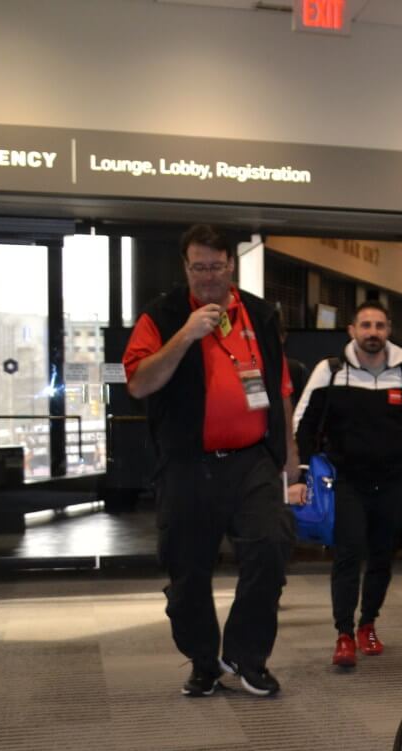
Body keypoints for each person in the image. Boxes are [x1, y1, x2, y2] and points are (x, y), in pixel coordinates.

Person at [123, 225, 297, 698]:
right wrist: (186, 335)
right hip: (188, 464)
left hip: (252, 460)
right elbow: (139, 383)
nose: (207, 276)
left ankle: (247, 657)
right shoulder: (161, 316)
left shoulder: (260, 314)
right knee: (188, 569)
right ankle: (203, 660)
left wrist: (290, 457)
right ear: (185, 267)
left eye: (215, 267)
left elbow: (280, 389)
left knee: (270, 545)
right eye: (198, 267)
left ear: (230, 265)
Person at [295, 301, 402, 671]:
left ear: (389, 330)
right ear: (352, 330)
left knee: (382, 556)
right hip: (347, 480)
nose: (372, 332)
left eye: (379, 325)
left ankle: (368, 625)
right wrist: (298, 475)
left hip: (395, 480)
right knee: (348, 554)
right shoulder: (330, 371)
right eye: (365, 325)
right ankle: (344, 634)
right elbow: (304, 422)